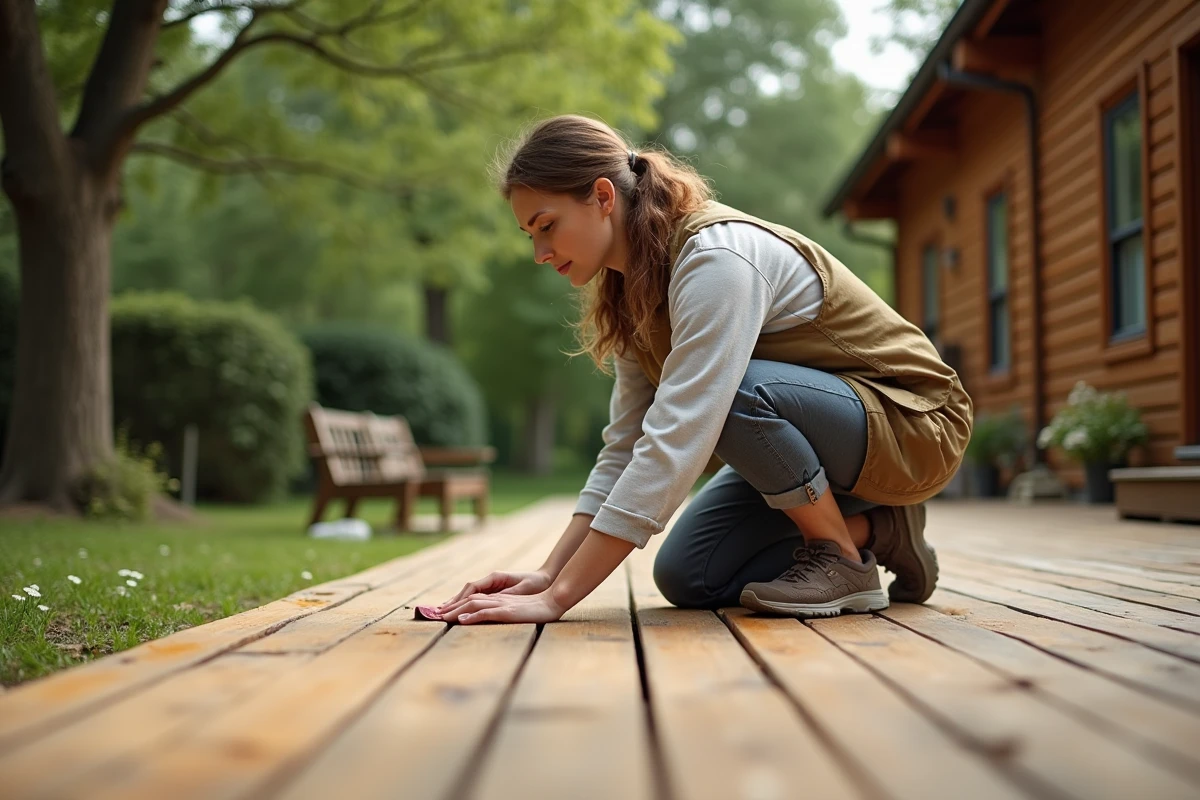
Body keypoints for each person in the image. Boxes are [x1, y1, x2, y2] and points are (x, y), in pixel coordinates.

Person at [435, 114, 972, 624]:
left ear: (602, 196)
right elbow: (626, 445)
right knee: (690, 575)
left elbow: (682, 430)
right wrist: (548, 575)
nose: (540, 251)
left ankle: (838, 559)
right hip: (829, 444)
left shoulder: (715, 260)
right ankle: (881, 531)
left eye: (546, 225)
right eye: (530, 234)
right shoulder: (631, 294)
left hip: (916, 424)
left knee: (729, 396)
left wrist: (561, 599)